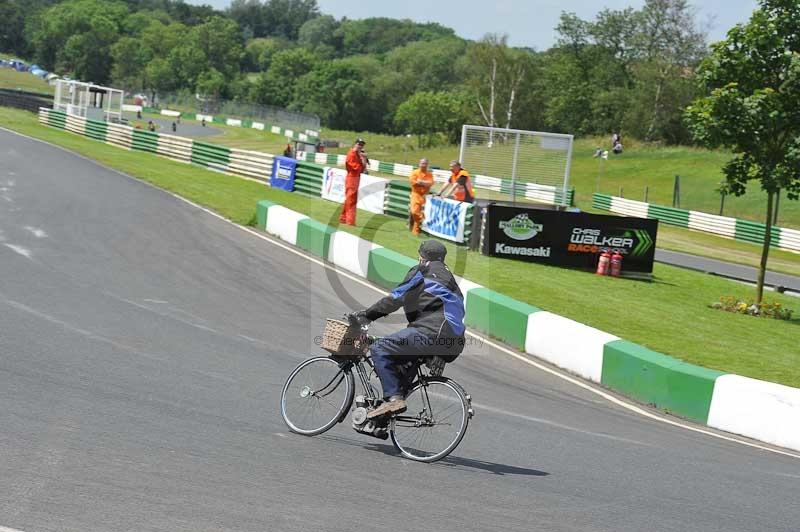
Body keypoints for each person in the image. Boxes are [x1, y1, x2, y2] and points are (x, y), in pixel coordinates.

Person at [351, 240, 466, 420]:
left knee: (379, 348)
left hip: (430, 333)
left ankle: (393, 399)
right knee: (403, 365)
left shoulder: (422, 271)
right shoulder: (450, 279)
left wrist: (367, 315)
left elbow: (396, 298)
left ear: (421, 257)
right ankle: (382, 420)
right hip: (454, 342)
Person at [339, 138, 367, 225]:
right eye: (359, 144)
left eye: (362, 145)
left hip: (356, 178)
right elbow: (357, 168)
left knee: (349, 199)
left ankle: (343, 218)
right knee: (351, 200)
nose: (360, 146)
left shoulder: (358, 155)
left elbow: (363, 169)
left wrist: (364, 159)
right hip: (351, 178)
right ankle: (350, 221)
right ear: (355, 144)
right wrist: (362, 160)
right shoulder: (351, 154)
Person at [408, 158, 434, 236]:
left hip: (425, 195)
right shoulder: (415, 173)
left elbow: (431, 183)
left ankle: (416, 231)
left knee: (422, 212)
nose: (424, 165)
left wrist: (421, 182)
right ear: (419, 164)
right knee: (414, 211)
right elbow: (413, 183)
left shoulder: (430, 174)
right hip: (416, 194)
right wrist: (425, 183)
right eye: (422, 163)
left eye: (425, 163)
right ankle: (421, 219)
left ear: (427, 165)